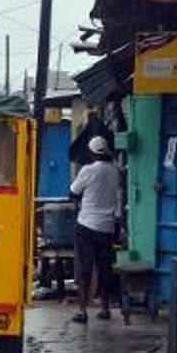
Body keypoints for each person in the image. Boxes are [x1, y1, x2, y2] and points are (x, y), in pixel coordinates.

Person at [69, 135, 121, 324]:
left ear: (91, 153)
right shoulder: (115, 171)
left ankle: (82, 311)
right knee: (104, 269)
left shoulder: (88, 170)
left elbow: (73, 192)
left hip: (87, 226)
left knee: (85, 269)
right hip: (107, 228)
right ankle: (105, 308)